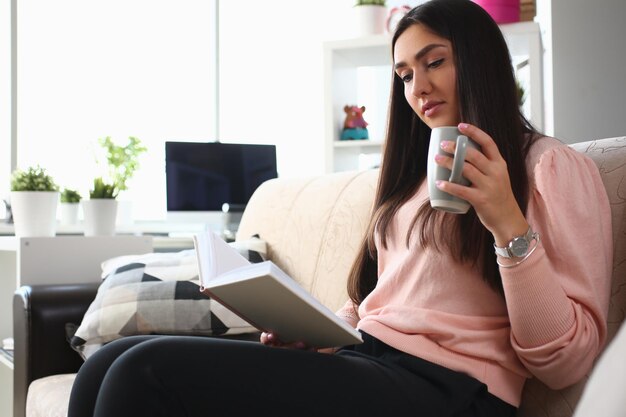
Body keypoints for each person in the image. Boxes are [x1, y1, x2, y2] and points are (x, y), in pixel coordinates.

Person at [67, 1, 613, 416]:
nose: (417, 87)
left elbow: (567, 360)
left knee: (141, 370)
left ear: (479, 61)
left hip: (451, 390)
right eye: (403, 74)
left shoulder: (549, 167)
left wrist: (507, 225)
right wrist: (319, 330)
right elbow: (385, 300)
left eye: (434, 62)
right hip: (368, 360)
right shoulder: (415, 178)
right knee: (106, 365)